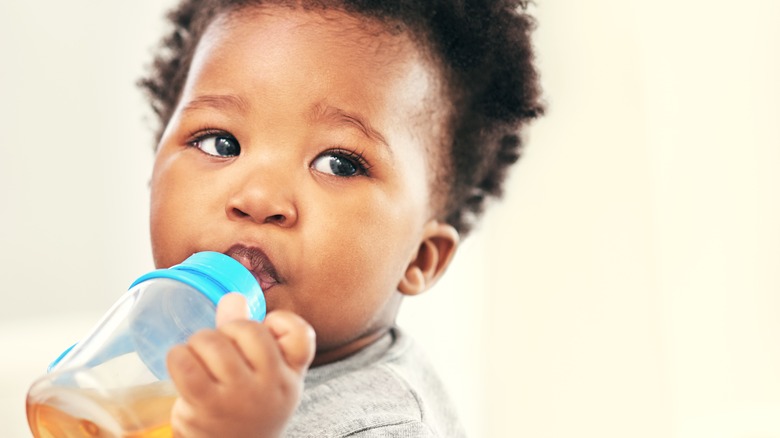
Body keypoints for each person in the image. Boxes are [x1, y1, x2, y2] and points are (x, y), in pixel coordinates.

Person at [138, 0, 543, 436]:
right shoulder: (163, 347)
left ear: (420, 258)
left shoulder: (386, 427)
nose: (258, 198)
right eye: (219, 142)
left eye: (338, 164)